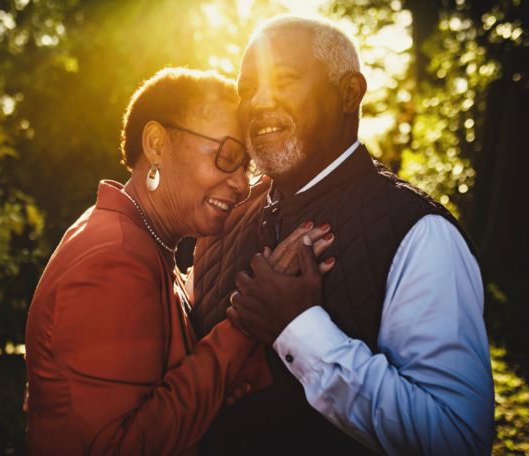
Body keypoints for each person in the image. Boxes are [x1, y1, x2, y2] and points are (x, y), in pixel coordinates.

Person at [190, 14, 495, 455]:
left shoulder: (421, 234)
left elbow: (457, 440)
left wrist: (298, 329)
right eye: (248, 88)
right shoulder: (224, 215)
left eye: (285, 79)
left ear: (350, 93)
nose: (258, 102)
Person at [23, 67, 336, 455]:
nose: (241, 184)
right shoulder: (113, 258)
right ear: (156, 143)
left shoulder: (140, 239)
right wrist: (249, 324)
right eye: (227, 156)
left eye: (247, 167)